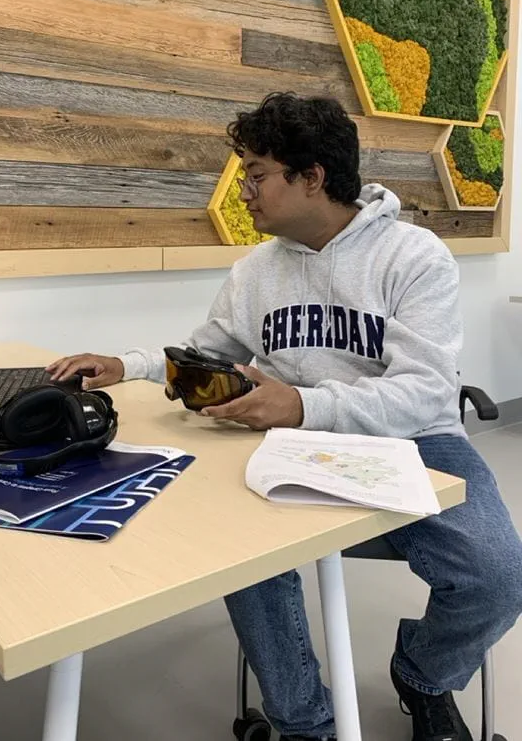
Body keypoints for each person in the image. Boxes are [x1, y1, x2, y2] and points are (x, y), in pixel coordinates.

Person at [47, 93, 522, 741]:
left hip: (415, 442)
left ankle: (424, 675)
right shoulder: (255, 272)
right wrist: (125, 364)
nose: (244, 191)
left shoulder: (414, 257)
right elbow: (206, 356)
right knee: (243, 550)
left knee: (498, 577)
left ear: (312, 177)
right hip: (290, 448)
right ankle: (305, 722)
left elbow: (423, 393)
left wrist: (301, 403)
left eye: (256, 173)